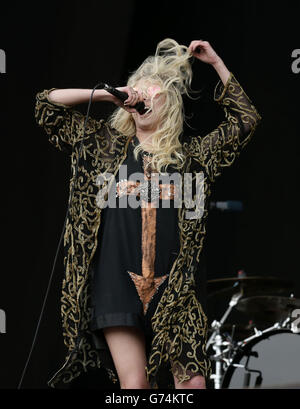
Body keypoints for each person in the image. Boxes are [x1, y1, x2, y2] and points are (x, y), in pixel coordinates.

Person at [34, 38, 262, 389]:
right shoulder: (105, 148)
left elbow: (246, 119)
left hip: (177, 292)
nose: (141, 97)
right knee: (135, 386)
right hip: (117, 284)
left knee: (193, 385)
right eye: (137, 91)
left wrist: (215, 62)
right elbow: (46, 105)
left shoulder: (193, 159)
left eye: (152, 91)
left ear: (168, 103)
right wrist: (113, 94)